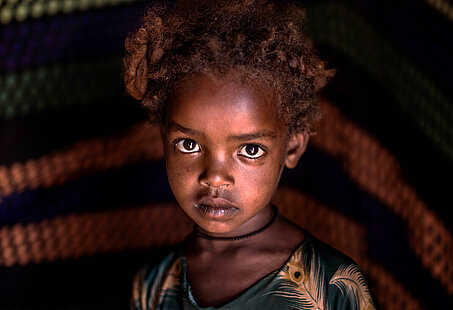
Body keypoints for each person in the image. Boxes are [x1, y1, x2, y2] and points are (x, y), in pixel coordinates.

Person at [124, 0, 376, 309]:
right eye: (188, 145)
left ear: (293, 146)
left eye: (250, 150)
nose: (215, 177)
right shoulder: (153, 286)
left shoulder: (332, 284)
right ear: (164, 140)